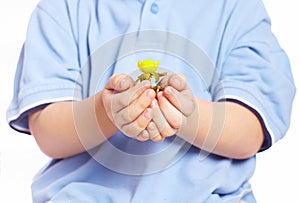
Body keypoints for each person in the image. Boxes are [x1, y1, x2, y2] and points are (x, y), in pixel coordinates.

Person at [7, 0, 295, 202]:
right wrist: (104, 112)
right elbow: (48, 132)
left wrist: (188, 116)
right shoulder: (63, 8)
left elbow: (251, 131)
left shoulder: (237, 8)